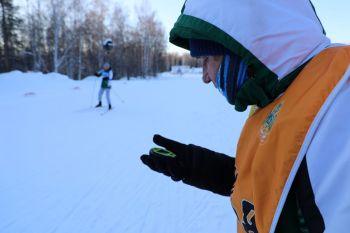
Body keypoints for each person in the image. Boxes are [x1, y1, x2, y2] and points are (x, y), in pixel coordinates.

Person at [140, 0, 350, 232]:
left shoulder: (340, 102)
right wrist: (199, 167)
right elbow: (279, 184)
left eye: (208, 59)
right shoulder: (278, 95)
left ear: (244, 47)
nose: (206, 77)